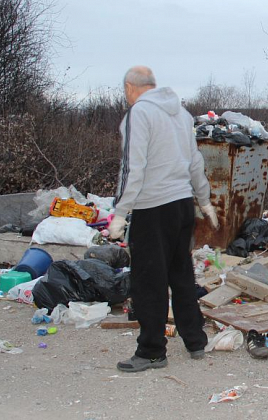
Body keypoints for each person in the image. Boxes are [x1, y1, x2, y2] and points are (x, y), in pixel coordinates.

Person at [108, 66, 219, 372]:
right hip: (182, 205)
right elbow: (195, 160)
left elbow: (133, 167)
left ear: (131, 88)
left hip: (152, 207)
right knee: (180, 274)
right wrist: (204, 199)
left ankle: (152, 351)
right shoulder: (182, 115)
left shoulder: (139, 114)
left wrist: (120, 213)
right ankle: (195, 341)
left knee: (148, 282)